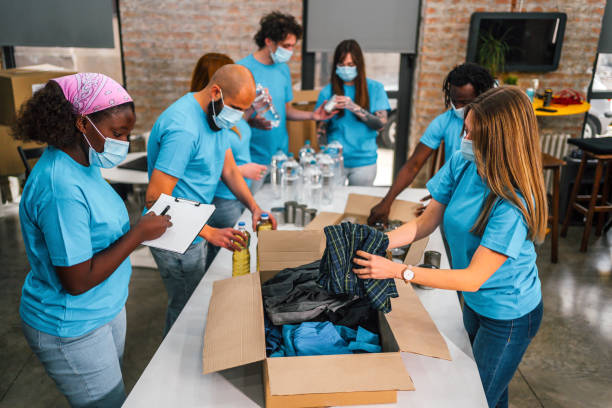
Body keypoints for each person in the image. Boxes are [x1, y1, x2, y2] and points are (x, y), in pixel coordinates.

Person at [353, 86, 547, 408]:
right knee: (487, 386)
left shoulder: (512, 205)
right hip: (473, 302)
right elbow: (424, 223)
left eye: (472, 134)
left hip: (508, 314)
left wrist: (398, 270)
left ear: (499, 142)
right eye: (465, 129)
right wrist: (379, 241)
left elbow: (472, 277)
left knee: (474, 396)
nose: (463, 139)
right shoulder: (464, 163)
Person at [14, 73, 171, 407]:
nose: (124, 142)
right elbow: (76, 280)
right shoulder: (60, 188)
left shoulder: (83, 162)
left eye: (127, 133)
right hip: (72, 325)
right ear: (82, 123)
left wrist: (138, 233)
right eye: (117, 133)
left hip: (104, 308)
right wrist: (138, 234)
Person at [145, 64, 277, 334]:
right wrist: (208, 232)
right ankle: (174, 366)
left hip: (194, 228)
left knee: (194, 299)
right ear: (216, 92)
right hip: (174, 235)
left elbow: (228, 169)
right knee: (185, 307)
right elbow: (154, 199)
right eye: (236, 108)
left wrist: (254, 207)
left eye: (244, 109)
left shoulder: (215, 118)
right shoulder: (183, 128)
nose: (239, 116)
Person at [368, 63, 495, 224]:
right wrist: (387, 202)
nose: (458, 108)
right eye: (454, 101)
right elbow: (414, 164)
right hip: (454, 200)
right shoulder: (445, 122)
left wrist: (443, 201)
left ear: (482, 97)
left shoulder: (497, 127)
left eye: (464, 102)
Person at [238, 11, 335, 193]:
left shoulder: (283, 69)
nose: (290, 51)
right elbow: (230, 118)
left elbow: (285, 111)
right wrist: (251, 120)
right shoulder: (242, 70)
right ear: (268, 41)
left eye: (292, 46)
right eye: (286, 46)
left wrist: (312, 115)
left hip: (281, 157)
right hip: (252, 158)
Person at [189, 52, 267, 269]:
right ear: (216, 86)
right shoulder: (197, 124)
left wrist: (253, 206)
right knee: (217, 267)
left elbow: (229, 163)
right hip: (216, 202)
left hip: (227, 200)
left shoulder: (222, 119)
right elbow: (207, 165)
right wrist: (243, 170)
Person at [315, 39, 390, 186]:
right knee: (333, 205)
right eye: (341, 65)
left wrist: (353, 107)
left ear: (359, 65)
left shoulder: (375, 88)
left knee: (357, 205)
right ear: (335, 66)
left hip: (364, 162)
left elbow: (380, 124)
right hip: (334, 161)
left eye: (350, 65)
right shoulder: (327, 92)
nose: (346, 69)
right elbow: (320, 129)